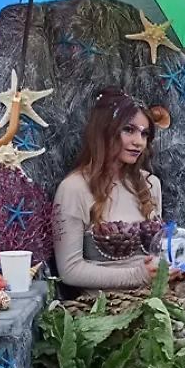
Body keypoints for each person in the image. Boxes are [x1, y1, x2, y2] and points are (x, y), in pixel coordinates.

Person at [54, 87, 164, 293]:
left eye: (144, 133)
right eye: (129, 130)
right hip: (104, 312)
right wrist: (136, 276)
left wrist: (175, 265)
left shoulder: (151, 184)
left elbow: (156, 254)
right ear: (104, 130)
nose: (138, 141)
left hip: (159, 297)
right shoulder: (73, 189)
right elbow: (69, 270)